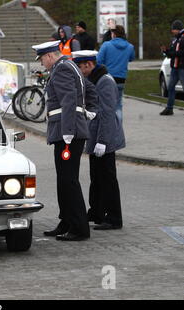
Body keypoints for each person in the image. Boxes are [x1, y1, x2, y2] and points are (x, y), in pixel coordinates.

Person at [32, 40, 91, 241]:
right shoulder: (67, 66)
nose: (42, 64)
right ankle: (66, 221)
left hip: (68, 133)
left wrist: (67, 130)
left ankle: (79, 228)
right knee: (64, 180)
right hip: (67, 130)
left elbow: (68, 99)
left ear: (49, 56)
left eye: (42, 59)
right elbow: (88, 90)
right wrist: (88, 111)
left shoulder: (62, 69)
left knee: (69, 181)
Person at [73, 50, 126, 230]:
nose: (79, 71)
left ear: (89, 65)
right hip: (95, 136)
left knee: (108, 179)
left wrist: (103, 141)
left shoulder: (105, 82)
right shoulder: (93, 80)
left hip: (105, 138)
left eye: (80, 67)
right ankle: (96, 211)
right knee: (96, 177)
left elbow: (107, 115)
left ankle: (113, 218)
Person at [97, 25, 134, 122]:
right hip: (121, 78)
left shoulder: (106, 45)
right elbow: (131, 58)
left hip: (108, 78)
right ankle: (118, 130)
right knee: (118, 104)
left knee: (106, 104)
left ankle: (109, 128)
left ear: (113, 34)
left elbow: (98, 60)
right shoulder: (130, 47)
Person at [159, 20, 184, 116]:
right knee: (170, 87)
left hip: (182, 67)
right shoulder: (176, 39)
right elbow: (173, 52)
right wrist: (166, 51)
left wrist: (173, 53)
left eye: (173, 29)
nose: (172, 31)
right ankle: (169, 108)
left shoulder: (183, 38)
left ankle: (169, 108)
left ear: (178, 29)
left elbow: (182, 52)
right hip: (175, 67)